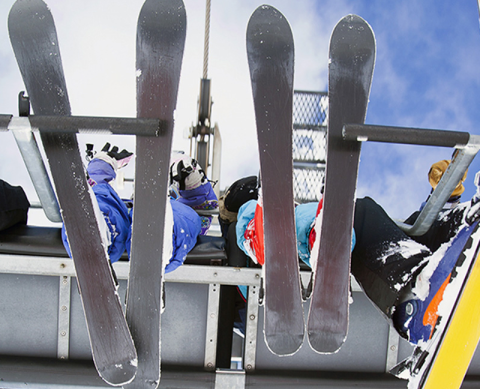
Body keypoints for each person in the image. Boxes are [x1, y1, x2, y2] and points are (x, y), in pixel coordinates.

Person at [233, 159, 477, 346]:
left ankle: (464, 223)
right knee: (359, 215)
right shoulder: (234, 247)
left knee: (388, 226)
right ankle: (412, 299)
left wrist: (442, 199)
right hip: (291, 256)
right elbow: (245, 287)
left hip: (316, 236)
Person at [61, 144, 202, 273]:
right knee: (103, 203)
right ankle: (95, 230)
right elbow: (204, 205)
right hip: (147, 211)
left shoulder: (175, 205)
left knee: (183, 218)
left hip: (162, 212)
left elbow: (207, 206)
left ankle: (156, 232)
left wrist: (192, 180)